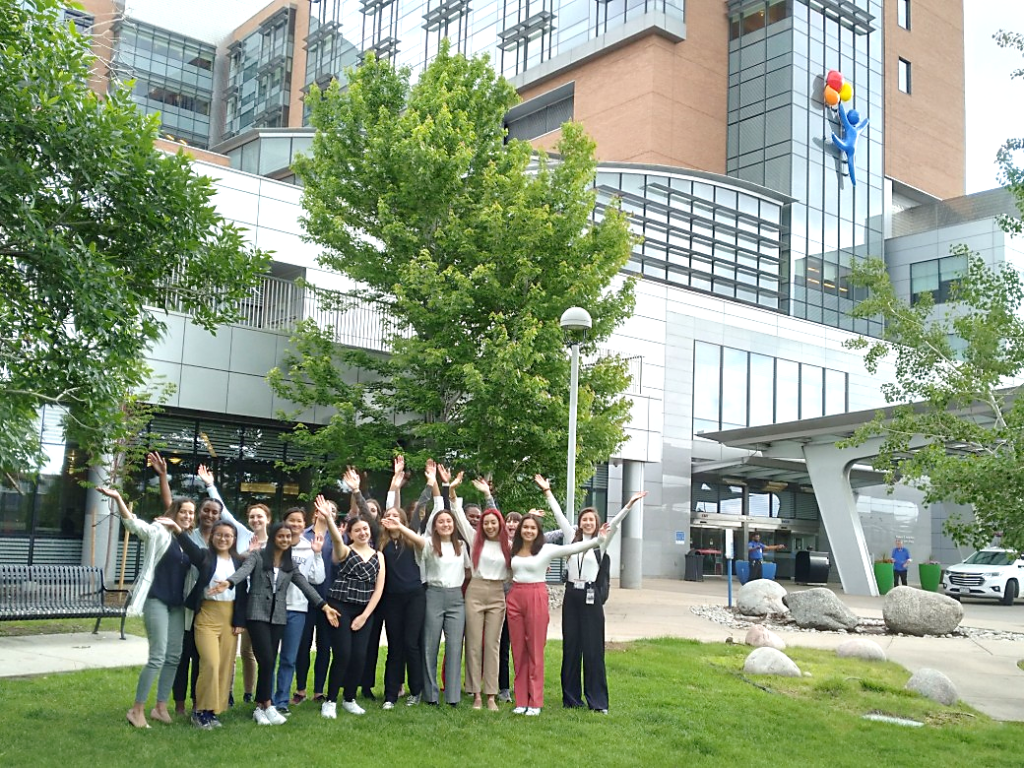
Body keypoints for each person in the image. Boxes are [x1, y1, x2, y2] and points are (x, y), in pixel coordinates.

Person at [208, 522, 340, 725]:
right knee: (268, 660)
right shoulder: (258, 556)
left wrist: (324, 607)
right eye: (281, 536)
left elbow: (306, 586)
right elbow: (243, 571)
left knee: (269, 662)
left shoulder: (290, 564)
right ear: (272, 537)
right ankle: (266, 705)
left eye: (288, 536)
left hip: (278, 617)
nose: (285, 540)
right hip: (257, 614)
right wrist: (229, 582)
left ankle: (262, 707)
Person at [536, 475, 646, 713]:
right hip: (571, 598)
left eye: (591, 520)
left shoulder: (600, 541)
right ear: (580, 522)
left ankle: (597, 702)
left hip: (591, 597)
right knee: (571, 648)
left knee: (593, 650)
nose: (587, 523)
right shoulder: (571, 538)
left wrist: (629, 504)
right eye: (584, 519)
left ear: (596, 523)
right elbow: (558, 516)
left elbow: (615, 523)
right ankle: (571, 699)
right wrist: (547, 492)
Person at [97, 461, 192, 729]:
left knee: (175, 656)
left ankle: (160, 707)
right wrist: (118, 499)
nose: (187, 516)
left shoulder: (188, 539)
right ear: (174, 512)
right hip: (156, 600)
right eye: (183, 512)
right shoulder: (159, 531)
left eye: (190, 513)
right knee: (158, 656)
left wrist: (163, 477)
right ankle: (136, 709)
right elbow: (133, 524)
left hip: (177, 604)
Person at [380, 461, 465, 707]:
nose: (393, 519)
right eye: (390, 518)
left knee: (426, 646)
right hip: (409, 597)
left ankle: (436, 694)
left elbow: (440, 510)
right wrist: (395, 484)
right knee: (407, 648)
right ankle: (407, 694)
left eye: (397, 517)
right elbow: (391, 514)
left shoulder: (440, 543)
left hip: (432, 596)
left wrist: (436, 483)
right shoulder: (399, 541)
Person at [507, 510, 607, 716]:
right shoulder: (513, 549)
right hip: (515, 597)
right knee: (518, 650)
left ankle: (535, 701)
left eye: (532, 528)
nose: (528, 530)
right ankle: (521, 699)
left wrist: (598, 540)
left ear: (538, 532)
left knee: (534, 650)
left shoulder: (546, 549)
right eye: (525, 527)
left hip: (536, 595)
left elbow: (575, 546)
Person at [168, 519, 247, 729]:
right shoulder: (205, 556)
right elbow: (190, 548)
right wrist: (177, 529)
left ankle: (212, 711)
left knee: (223, 667)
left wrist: (239, 620)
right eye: (219, 535)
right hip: (206, 616)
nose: (223, 539)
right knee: (210, 663)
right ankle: (199, 711)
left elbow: (242, 593)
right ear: (212, 537)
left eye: (228, 536)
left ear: (234, 539)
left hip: (229, 618)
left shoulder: (239, 561)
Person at [317, 495, 387, 717]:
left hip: (364, 611)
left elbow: (378, 590)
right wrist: (328, 518)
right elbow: (337, 540)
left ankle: (349, 698)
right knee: (343, 654)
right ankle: (330, 701)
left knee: (359, 656)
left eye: (365, 529)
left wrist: (365, 616)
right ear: (350, 534)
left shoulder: (379, 556)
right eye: (357, 530)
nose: (363, 533)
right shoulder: (345, 551)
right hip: (340, 608)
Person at [272, 507, 326, 716]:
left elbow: (317, 579)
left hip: (298, 608)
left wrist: (317, 553)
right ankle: (266, 699)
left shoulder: (308, 546)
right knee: (269, 657)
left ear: (305, 525)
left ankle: (282, 700)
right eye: (291, 521)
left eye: (299, 521)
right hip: (273, 608)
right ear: (284, 522)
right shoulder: (274, 546)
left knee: (288, 658)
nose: (295, 525)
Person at [497, 510, 522, 703]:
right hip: (502, 602)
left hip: (522, 603)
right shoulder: (499, 546)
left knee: (522, 647)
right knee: (503, 646)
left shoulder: (529, 548)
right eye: (509, 521)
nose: (512, 524)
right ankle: (503, 687)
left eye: (516, 522)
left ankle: (521, 685)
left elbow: (550, 535)